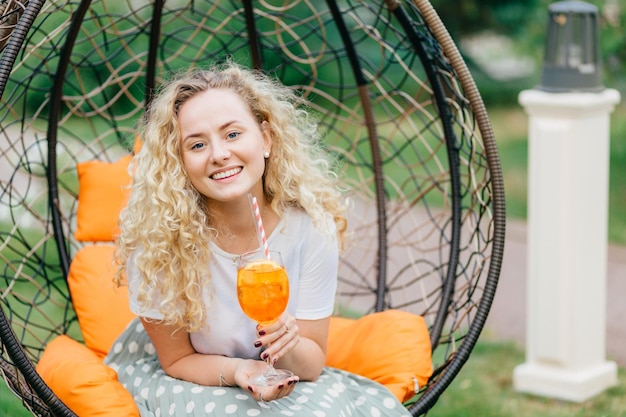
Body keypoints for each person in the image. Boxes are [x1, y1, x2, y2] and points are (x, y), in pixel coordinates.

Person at [107, 61, 411, 417]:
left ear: (265, 138)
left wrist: (287, 342)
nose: (219, 154)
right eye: (197, 144)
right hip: (192, 375)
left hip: (283, 378)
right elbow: (177, 360)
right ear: (179, 162)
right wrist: (239, 371)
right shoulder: (160, 241)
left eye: (233, 134)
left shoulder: (310, 229)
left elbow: (311, 366)